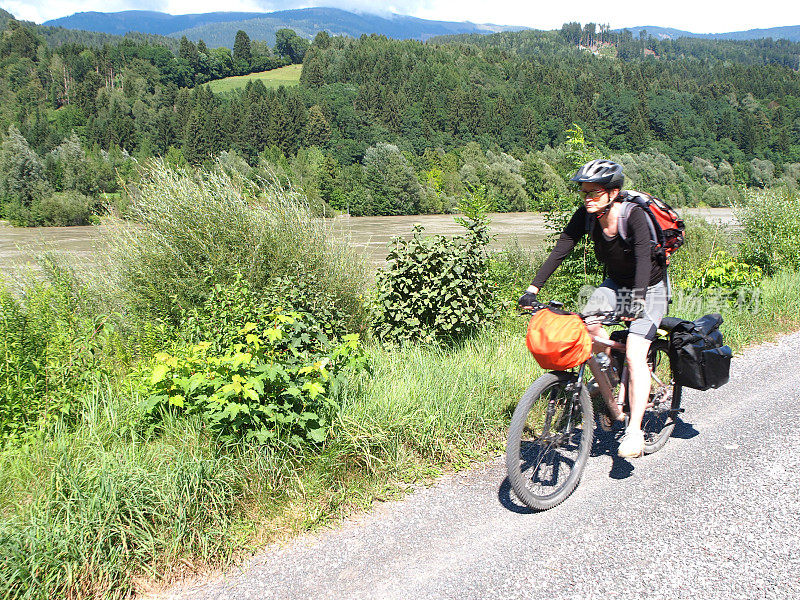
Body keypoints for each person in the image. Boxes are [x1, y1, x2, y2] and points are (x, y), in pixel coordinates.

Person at [518, 159, 669, 458]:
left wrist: (636, 300)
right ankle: (610, 373)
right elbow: (562, 247)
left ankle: (635, 431)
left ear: (613, 192)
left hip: (649, 289)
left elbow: (642, 257)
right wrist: (533, 288)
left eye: (594, 192)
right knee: (585, 328)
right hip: (614, 285)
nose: (587, 198)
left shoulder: (633, 214)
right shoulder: (586, 217)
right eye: (584, 192)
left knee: (636, 353)